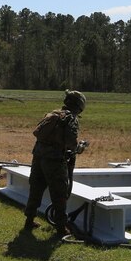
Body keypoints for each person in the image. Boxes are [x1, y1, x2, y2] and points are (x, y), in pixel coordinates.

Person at [23, 90, 88, 234]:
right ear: (79, 106)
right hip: (54, 161)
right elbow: (71, 141)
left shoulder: (53, 114)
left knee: (35, 189)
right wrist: (79, 148)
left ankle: (29, 220)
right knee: (59, 193)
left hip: (38, 157)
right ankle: (60, 227)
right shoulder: (70, 118)